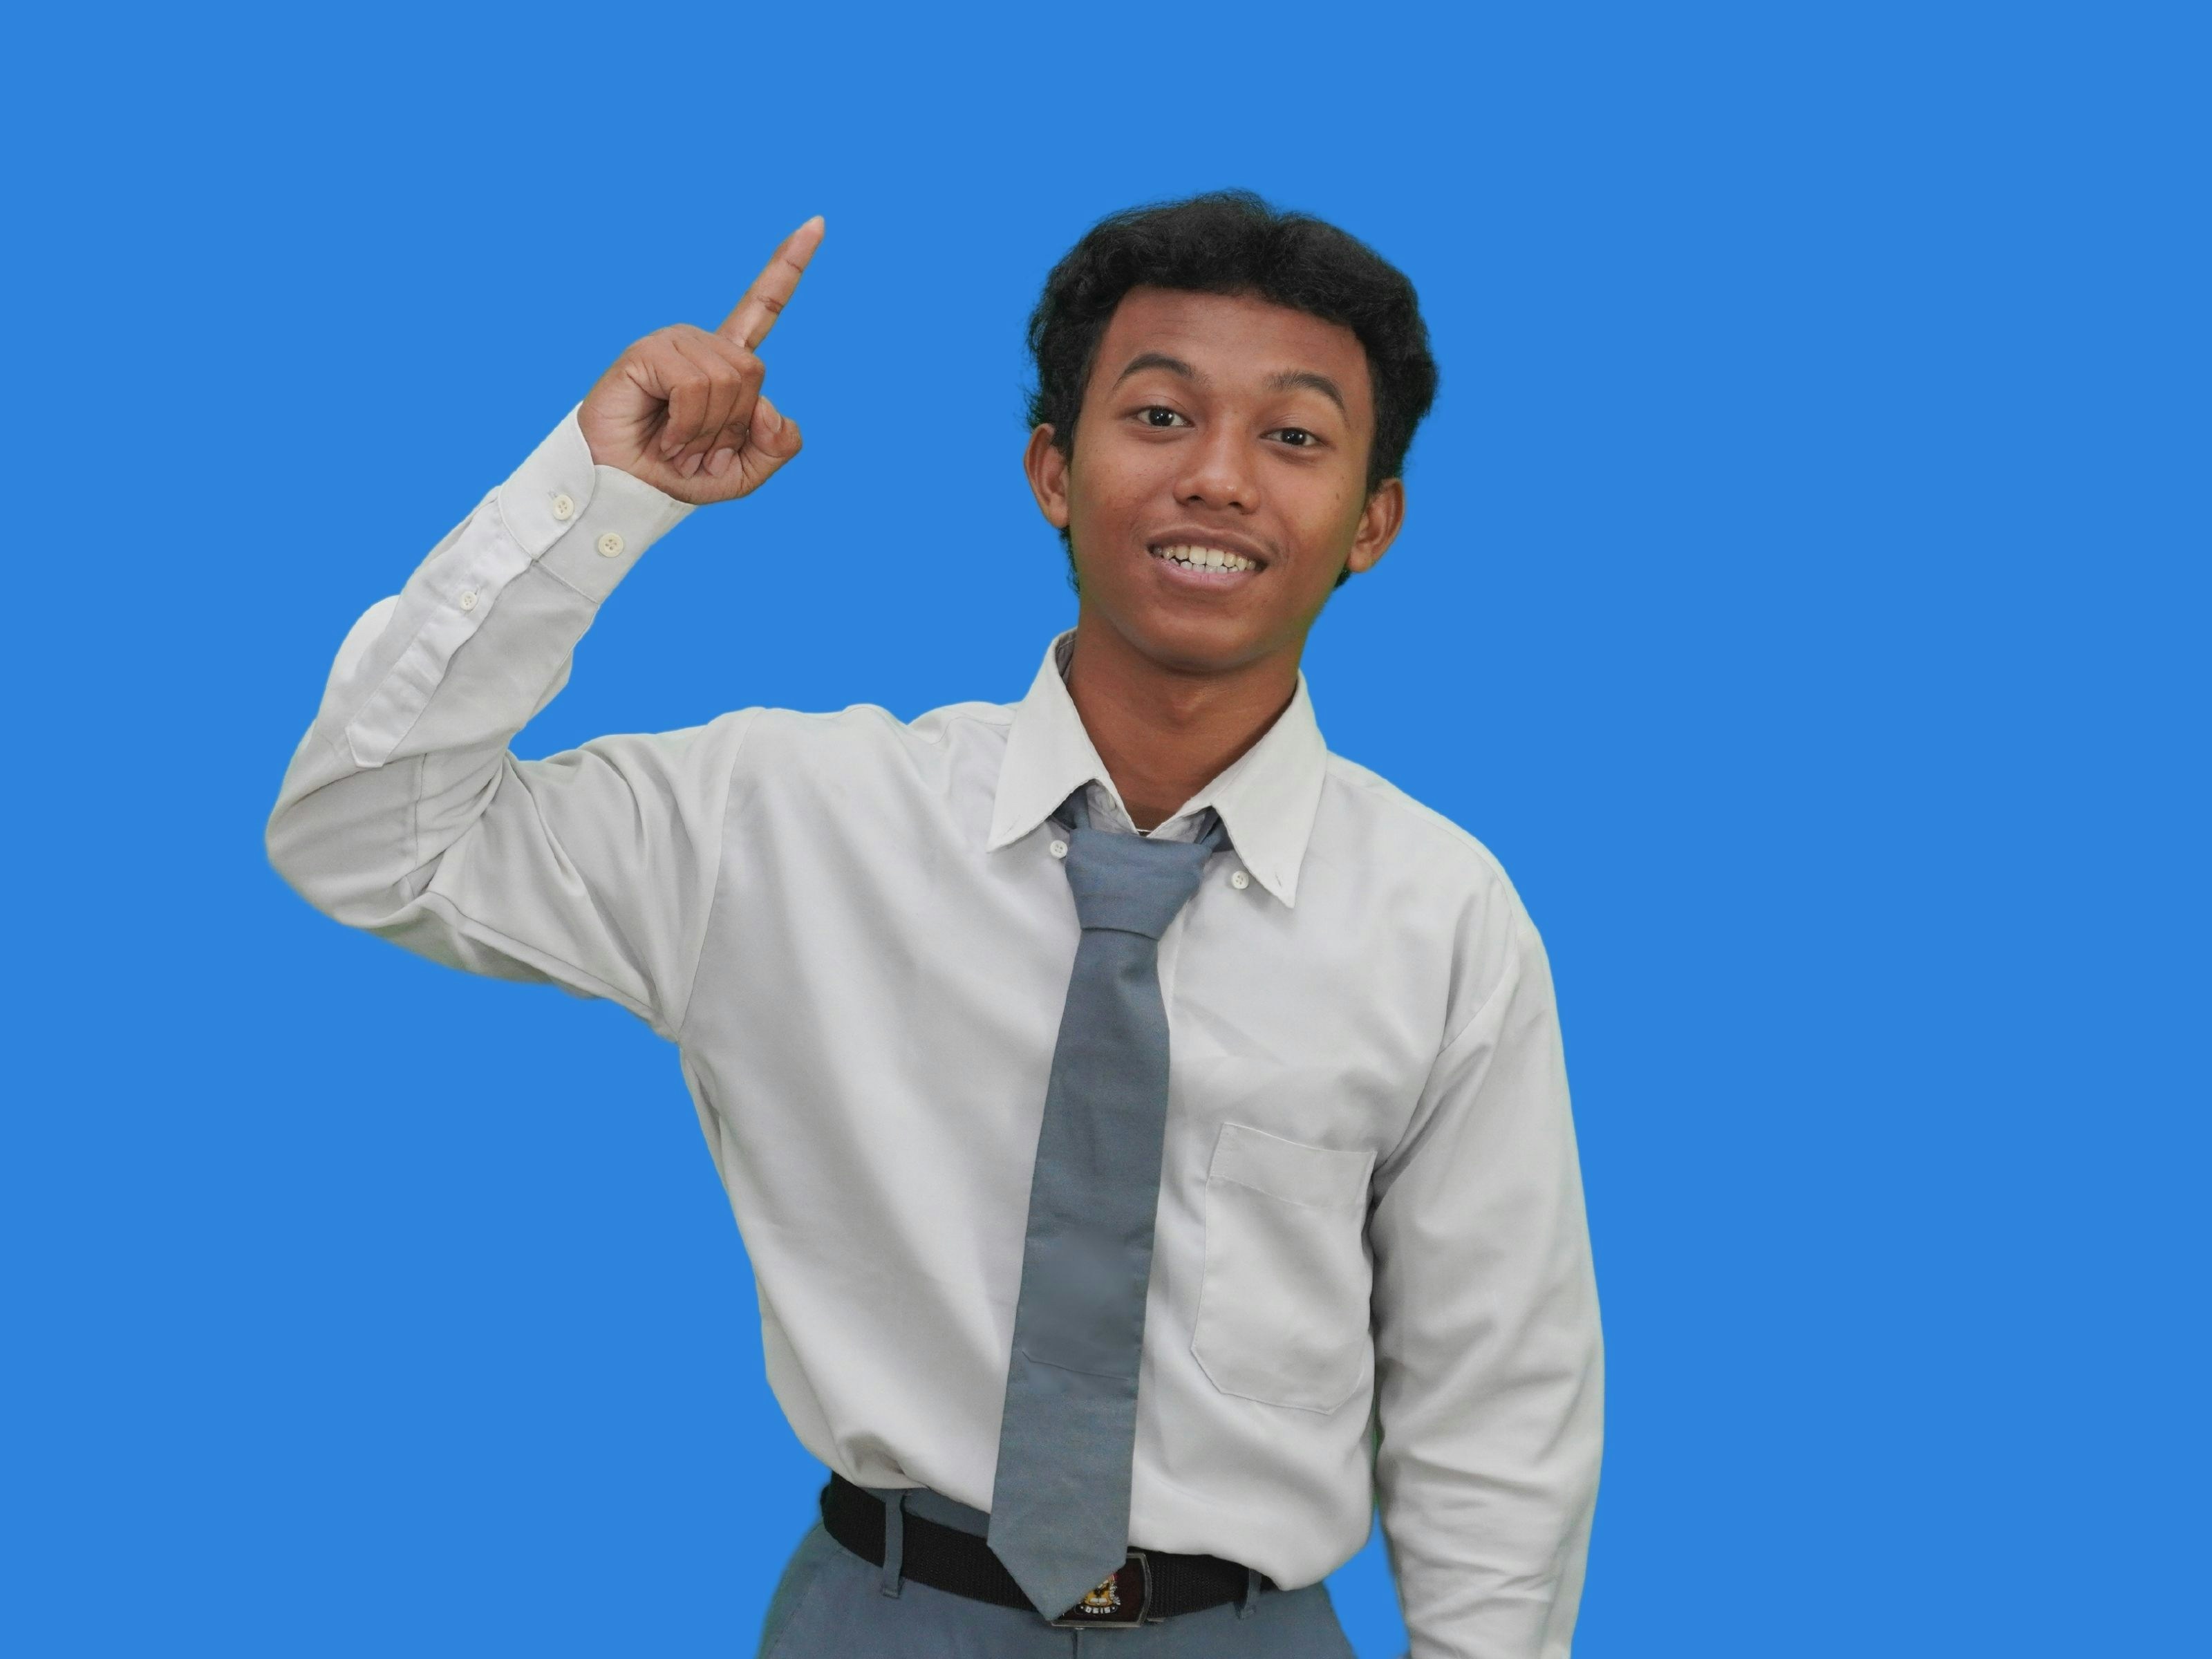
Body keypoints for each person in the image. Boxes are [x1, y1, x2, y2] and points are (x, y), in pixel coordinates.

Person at [266, 190, 1602, 1659]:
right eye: (1157, 416)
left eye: (1293, 437)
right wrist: (598, 501)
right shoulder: (783, 823)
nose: (1219, 478)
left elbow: (1495, 1399)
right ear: (1050, 468)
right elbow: (365, 838)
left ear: (1373, 522)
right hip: (879, 1617)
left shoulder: (1439, 915)